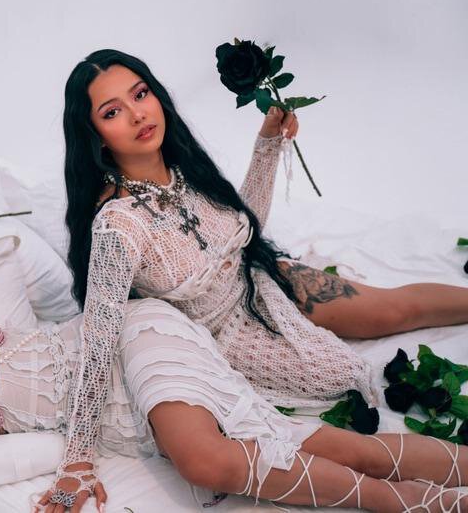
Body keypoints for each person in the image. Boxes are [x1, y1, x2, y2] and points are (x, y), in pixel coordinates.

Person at [0, 221, 468, 513]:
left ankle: (421, 507)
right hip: (116, 421)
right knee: (320, 446)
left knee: (211, 459)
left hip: (126, 339)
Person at [61, 48, 468, 410]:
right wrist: (79, 458)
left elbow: (242, 231)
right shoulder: (117, 223)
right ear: (94, 136)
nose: (137, 114)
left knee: (394, 309)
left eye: (140, 94)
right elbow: (99, 342)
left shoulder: (183, 167)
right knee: (344, 377)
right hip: (224, 335)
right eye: (112, 112)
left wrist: (267, 143)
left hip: (262, 278)